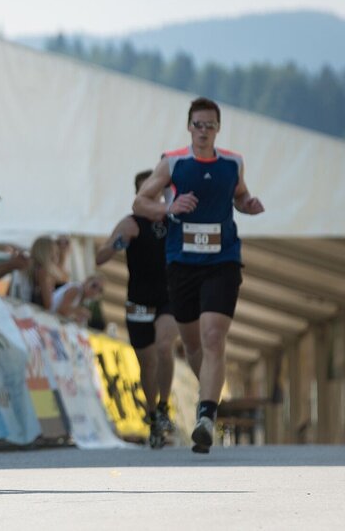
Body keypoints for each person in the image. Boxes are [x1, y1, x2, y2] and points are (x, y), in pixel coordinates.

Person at [133, 97, 264, 454]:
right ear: (188, 127)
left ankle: (206, 415)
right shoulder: (173, 162)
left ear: (218, 129)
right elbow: (139, 203)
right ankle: (209, 393)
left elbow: (239, 195)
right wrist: (168, 207)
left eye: (210, 125)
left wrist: (247, 205)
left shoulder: (233, 163)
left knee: (213, 336)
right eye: (197, 124)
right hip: (182, 264)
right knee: (192, 344)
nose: (203, 131)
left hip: (223, 261)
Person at [96, 169, 178, 449]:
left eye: (157, 191)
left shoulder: (173, 219)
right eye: (147, 192)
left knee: (165, 346)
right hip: (139, 300)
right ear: (138, 195)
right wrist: (122, 241)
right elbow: (100, 257)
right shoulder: (130, 223)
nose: (153, 197)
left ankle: (165, 406)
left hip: (168, 297)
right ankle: (153, 415)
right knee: (147, 363)